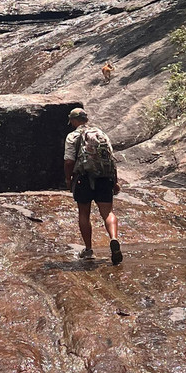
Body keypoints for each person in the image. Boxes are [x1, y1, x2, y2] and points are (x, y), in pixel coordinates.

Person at [63, 107, 122, 264]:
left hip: (83, 178)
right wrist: (115, 181)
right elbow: (111, 158)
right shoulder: (101, 134)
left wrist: (68, 180)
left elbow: (69, 161)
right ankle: (114, 239)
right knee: (108, 212)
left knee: (84, 213)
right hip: (104, 178)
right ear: (86, 119)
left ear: (74, 121)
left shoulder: (73, 136)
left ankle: (88, 250)